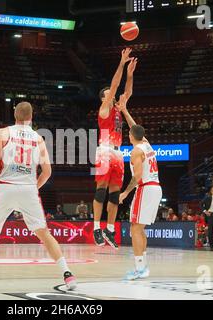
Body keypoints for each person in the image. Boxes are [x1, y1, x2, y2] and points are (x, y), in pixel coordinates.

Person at [0, 102, 77, 291]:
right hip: (28, 189)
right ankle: (67, 274)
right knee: (44, 234)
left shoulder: (2, 133)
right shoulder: (38, 138)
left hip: (5, 186)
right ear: (31, 117)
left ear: (14, 115)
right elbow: (47, 171)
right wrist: (33, 187)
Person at [93, 48, 137, 249]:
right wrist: (121, 64)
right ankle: (96, 227)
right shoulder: (104, 109)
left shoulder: (118, 109)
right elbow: (115, 85)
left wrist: (130, 74)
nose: (112, 95)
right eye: (108, 94)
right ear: (104, 98)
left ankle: (109, 230)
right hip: (104, 149)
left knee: (114, 194)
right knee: (100, 191)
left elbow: (127, 92)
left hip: (119, 153)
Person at [119, 105, 162, 281]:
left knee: (135, 229)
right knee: (140, 228)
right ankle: (143, 266)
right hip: (156, 188)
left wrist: (124, 193)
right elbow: (134, 126)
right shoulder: (146, 144)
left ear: (130, 137)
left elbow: (136, 177)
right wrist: (124, 110)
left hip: (145, 188)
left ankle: (139, 269)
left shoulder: (136, 151)